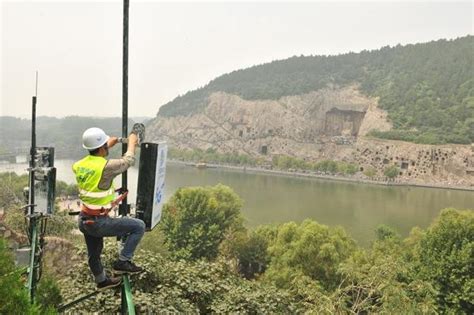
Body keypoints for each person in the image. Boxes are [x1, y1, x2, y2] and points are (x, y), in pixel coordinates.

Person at [73, 127, 145, 290]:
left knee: (94, 254)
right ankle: (123, 261)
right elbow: (128, 161)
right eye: (105, 144)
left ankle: (101, 281)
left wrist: (107, 146)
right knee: (138, 226)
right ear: (101, 147)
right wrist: (132, 143)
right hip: (99, 222)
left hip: (84, 220)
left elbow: (96, 163)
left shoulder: (78, 165)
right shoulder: (106, 167)